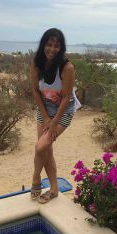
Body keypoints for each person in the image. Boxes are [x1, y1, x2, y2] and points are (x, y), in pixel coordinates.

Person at [30, 28, 81, 204]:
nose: (52, 49)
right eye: (49, 44)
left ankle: (36, 179)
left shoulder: (66, 67)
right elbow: (36, 91)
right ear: (44, 44)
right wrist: (45, 118)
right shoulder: (37, 64)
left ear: (62, 48)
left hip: (63, 111)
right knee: (46, 149)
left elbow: (66, 97)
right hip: (45, 111)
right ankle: (54, 189)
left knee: (40, 147)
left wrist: (54, 122)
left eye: (56, 46)